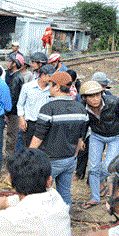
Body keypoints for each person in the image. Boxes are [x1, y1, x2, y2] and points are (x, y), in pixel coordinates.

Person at [30, 71, 89, 206]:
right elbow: (81, 138)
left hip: (50, 161)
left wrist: (27, 157)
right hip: (69, 160)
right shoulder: (80, 108)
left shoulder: (48, 108)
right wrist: (73, 157)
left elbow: (38, 137)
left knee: (42, 195)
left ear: (57, 87)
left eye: (50, 85)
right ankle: (64, 219)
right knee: (65, 193)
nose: (49, 88)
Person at [80, 81, 119, 209]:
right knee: (93, 167)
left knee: (107, 167)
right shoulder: (82, 106)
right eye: (91, 96)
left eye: (98, 95)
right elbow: (84, 123)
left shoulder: (113, 102)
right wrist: (81, 139)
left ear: (102, 93)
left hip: (116, 136)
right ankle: (95, 197)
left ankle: (100, 182)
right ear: (84, 97)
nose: (95, 99)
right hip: (96, 136)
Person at [16, 64, 55, 148]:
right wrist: (21, 119)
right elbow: (20, 105)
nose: (52, 79)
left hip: (45, 124)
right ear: (43, 75)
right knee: (28, 149)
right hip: (30, 124)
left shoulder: (52, 90)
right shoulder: (27, 87)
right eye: (50, 76)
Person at [4, 53, 25, 156]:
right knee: (12, 134)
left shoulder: (16, 78)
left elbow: (12, 98)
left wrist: (6, 113)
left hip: (13, 112)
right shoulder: (15, 76)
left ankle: (10, 156)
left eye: (10, 61)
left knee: (12, 134)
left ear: (15, 63)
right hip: (14, 111)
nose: (8, 62)